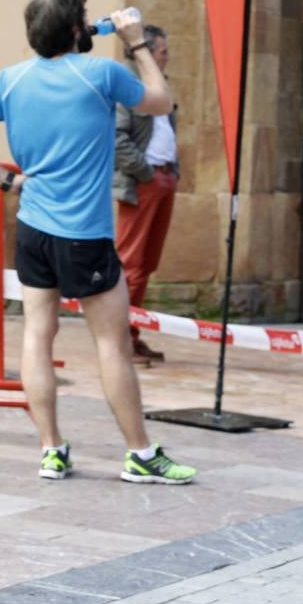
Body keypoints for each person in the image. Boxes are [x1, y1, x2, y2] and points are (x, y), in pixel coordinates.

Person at [0, 0, 196, 486]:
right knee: (111, 345)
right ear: (79, 28)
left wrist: (9, 181)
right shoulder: (101, 73)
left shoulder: (9, 81)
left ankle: (51, 451)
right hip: (85, 234)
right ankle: (140, 454)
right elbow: (161, 100)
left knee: (38, 335)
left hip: (34, 230)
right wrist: (137, 42)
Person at [114, 24, 177, 364]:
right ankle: (120, 340)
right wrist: (146, 173)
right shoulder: (128, 87)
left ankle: (132, 334)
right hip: (144, 181)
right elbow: (117, 139)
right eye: (163, 51)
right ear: (146, 52)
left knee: (146, 264)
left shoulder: (158, 88)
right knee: (131, 264)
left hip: (164, 179)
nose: (167, 57)